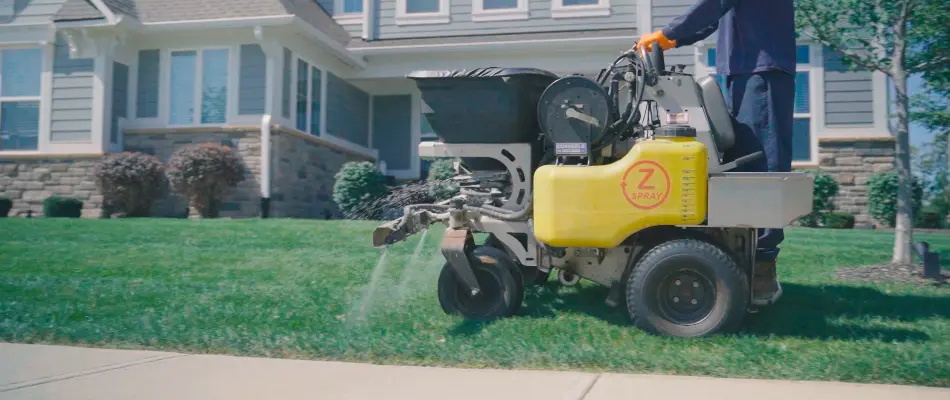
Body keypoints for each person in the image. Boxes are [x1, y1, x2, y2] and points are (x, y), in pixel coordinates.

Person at [634, 0, 796, 305]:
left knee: (762, 168)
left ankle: (762, 266)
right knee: (740, 166)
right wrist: (671, 39)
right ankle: (741, 260)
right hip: (743, 69)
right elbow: (713, 17)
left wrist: (668, 32)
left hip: (761, 68)